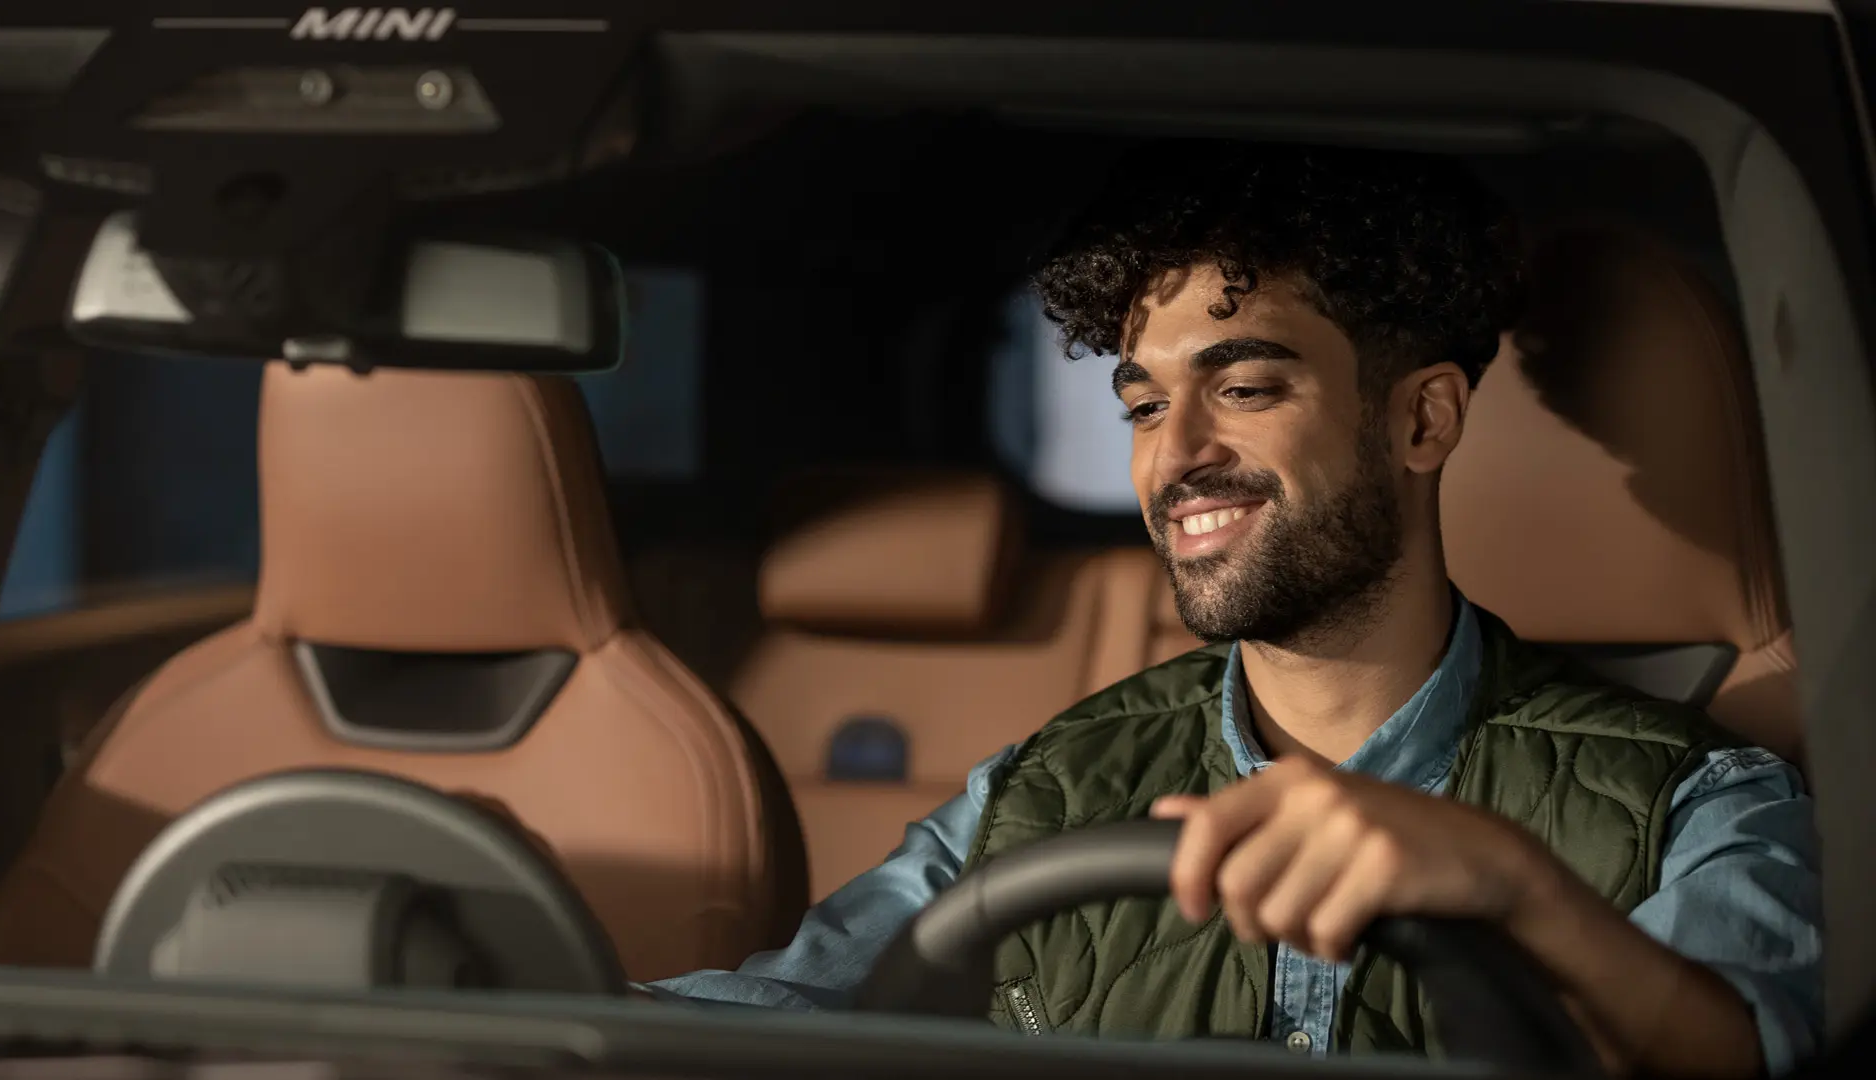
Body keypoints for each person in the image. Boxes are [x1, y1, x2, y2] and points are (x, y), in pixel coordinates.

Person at [643, 143, 1823, 1077]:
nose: (1177, 459)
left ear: (1423, 422)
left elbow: (1755, 1046)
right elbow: (760, 1020)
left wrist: (1518, 888)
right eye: (1145, 408)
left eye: (1246, 388)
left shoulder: (1697, 800)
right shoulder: (1040, 795)